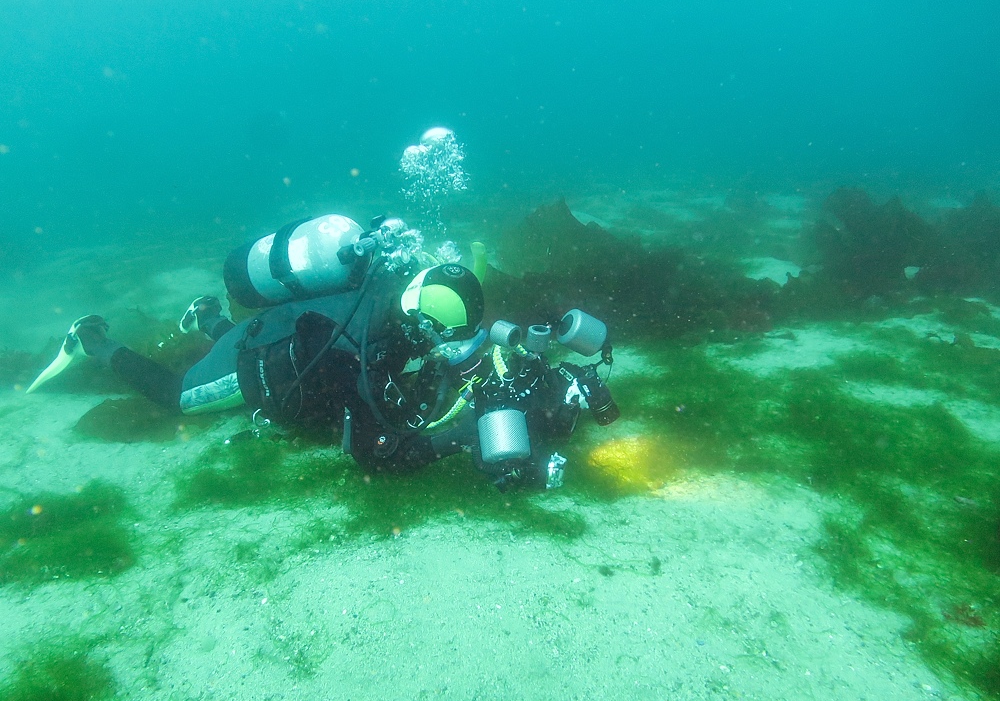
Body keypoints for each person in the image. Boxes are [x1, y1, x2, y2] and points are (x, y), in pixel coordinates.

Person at [27, 217, 618, 487]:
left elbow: (428, 362)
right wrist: (461, 435)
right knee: (178, 397)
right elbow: (378, 455)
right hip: (257, 359)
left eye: (445, 334)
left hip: (284, 332)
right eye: (433, 330)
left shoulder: (384, 300)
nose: (436, 344)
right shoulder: (357, 346)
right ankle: (93, 342)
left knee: (267, 345)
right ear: (415, 310)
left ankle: (206, 316)